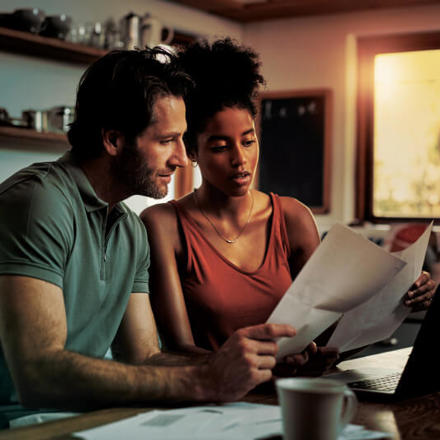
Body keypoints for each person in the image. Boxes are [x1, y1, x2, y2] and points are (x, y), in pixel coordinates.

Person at [0, 47, 297, 428]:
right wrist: (205, 380)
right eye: (166, 140)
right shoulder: (39, 203)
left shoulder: (129, 227)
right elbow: (39, 373)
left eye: (182, 139)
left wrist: (254, 365)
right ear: (113, 139)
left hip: (81, 420)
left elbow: (143, 356)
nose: (181, 158)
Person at [140, 39, 437, 371]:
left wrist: (398, 301)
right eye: (221, 146)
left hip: (293, 396)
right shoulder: (163, 224)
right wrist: (264, 366)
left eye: (249, 141)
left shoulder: (292, 218)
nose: (241, 159)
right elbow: (178, 350)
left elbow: (328, 335)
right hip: (213, 404)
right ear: (191, 151)